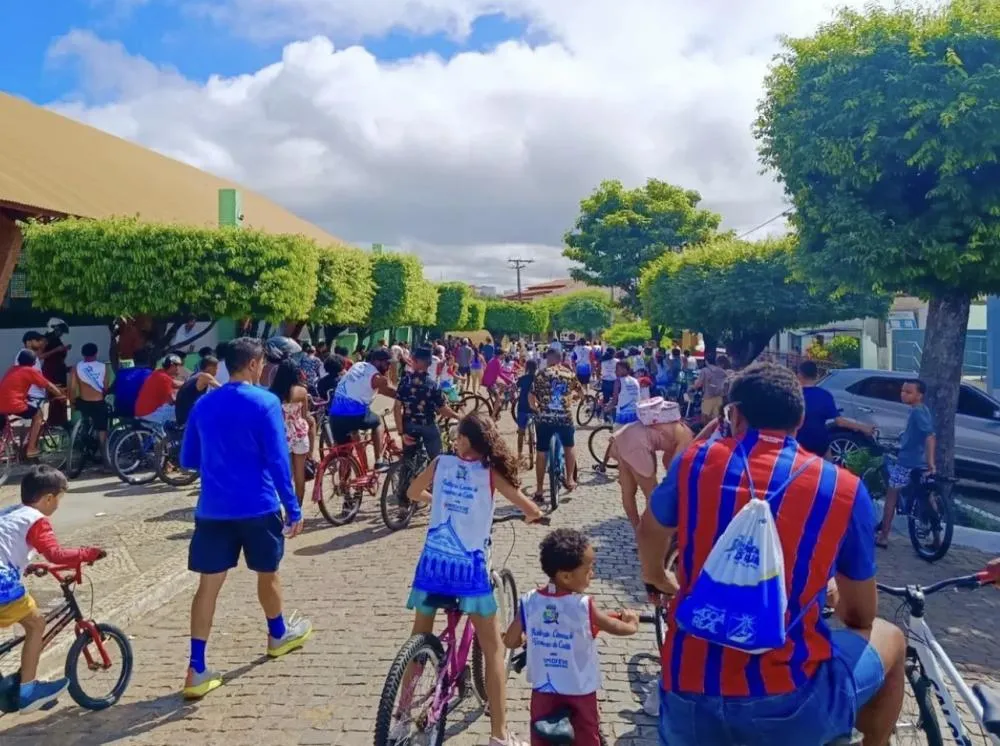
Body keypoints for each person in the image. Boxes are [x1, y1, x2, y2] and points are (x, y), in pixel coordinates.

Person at [639, 362, 905, 746]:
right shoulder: (842, 488)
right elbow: (859, 614)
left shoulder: (696, 460)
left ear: (735, 414)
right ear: (800, 419)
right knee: (890, 636)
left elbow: (651, 529)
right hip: (789, 698)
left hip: (688, 690)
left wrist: (657, 576)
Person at [179, 337, 311, 699]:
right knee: (268, 575)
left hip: (213, 509)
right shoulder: (266, 402)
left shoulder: (204, 405)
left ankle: (197, 667)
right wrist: (294, 507)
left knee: (208, 586)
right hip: (258, 505)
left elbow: (187, 460)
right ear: (254, 364)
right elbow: (278, 461)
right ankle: (277, 634)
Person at [404, 414, 544, 746]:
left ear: (467, 440)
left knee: (417, 642)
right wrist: (533, 515)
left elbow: (412, 492)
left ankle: (400, 713)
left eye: (458, 436)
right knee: (494, 649)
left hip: (433, 566)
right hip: (469, 572)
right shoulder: (490, 473)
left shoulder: (440, 464)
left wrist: (437, 500)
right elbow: (528, 507)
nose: (455, 441)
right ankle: (498, 734)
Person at [503, 528, 640, 745]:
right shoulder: (583, 606)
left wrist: (524, 639)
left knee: (542, 734)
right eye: (588, 570)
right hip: (579, 690)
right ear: (566, 576)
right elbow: (613, 626)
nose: (592, 574)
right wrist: (632, 623)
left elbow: (510, 641)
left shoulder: (529, 601)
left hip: (544, 690)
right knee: (586, 734)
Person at [0, 465, 103, 711]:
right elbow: (56, 554)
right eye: (59, 499)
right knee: (36, 623)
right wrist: (88, 553)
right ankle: (28, 691)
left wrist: (25, 566)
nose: (58, 505)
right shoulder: (37, 520)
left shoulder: (10, 512)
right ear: (48, 498)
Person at [611, 399, 692, 531]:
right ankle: (655, 533)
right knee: (652, 494)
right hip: (638, 444)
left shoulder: (678, 427)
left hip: (624, 435)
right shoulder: (687, 438)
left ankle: (638, 532)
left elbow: (667, 461)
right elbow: (674, 472)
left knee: (628, 492)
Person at [877, 378, 936, 548]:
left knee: (891, 495)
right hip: (921, 462)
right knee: (928, 496)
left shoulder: (917, 412)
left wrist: (932, 462)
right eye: (903, 391)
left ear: (919, 395)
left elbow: (930, 436)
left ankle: (884, 536)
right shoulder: (923, 410)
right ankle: (937, 537)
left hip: (908, 462)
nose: (903, 394)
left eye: (908, 392)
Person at [328, 348, 396, 470]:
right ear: (377, 361)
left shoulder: (358, 365)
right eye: (387, 363)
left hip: (335, 414)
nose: (389, 366)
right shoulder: (378, 379)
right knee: (377, 421)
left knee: (345, 452)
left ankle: (344, 485)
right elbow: (393, 392)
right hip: (353, 415)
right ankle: (379, 460)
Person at [393, 347, 460, 466]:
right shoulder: (432, 385)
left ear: (414, 360)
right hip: (427, 426)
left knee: (407, 460)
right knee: (438, 461)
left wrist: (401, 432)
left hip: (408, 426)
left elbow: (397, 407)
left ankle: (404, 480)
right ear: (429, 364)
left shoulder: (404, 381)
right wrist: (458, 416)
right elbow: (442, 409)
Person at [529, 347, 580, 499]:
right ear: (560, 359)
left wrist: (536, 408)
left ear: (550, 359)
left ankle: (539, 489)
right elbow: (580, 392)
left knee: (541, 452)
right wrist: (573, 399)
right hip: (564, 417)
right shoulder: (569, 374)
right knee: (569, 446)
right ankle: (570, 479)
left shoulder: (541, 374)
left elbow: (531, 396)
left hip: (545, 418)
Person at [796, 360, 874, 459]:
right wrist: (863, 427)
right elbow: (839, 422)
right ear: (816, 375)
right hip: (820, 443)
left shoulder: (794, 395)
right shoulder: (824, 395)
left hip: (799, 444)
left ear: (799, 375)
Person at [0, 351, 66, 458]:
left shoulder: (12, 369)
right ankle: (31, 448)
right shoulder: (30, 371)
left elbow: (13, 388)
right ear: (33, 362)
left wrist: (25, 396)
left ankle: (6, 444)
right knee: (38, 415)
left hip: (2, 403)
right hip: (14, 404)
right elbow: (48, 385)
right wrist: (61, 395)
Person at [270, 359, 313, 506]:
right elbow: (305, 414)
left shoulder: (274, 393)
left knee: (285, 475)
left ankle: (287, 509)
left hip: (283, 435)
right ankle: (298, 509)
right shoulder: (302, 391)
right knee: (300, 474)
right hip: (299, 432)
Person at [68, 343, 111, 453]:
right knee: (102, 429)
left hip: (83, 402)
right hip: (98, 402)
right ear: (96, 353)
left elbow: (72, 388)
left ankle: (84, 435)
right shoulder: (103, 367)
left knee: (85, 419)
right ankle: (104, 455)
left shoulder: (76, 367)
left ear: (83, 354)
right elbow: (105, 387)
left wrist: (72, 402)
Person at [135, 354, 184, 428]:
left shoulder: (159, 373)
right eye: (178, 366)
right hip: (149, 413)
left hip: (141, 411)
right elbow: (171, 401)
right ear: (172, 366)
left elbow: (174, 383)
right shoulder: (165, 379)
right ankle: (172, 436)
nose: (179, 369)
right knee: (180, 411)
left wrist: (190, 383)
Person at [40, 319, 72, 427]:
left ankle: (62, 421)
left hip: (59, 371)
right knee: (55, 396)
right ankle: (54, 421)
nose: (61, 333)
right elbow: (41, 356)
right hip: (51, 372)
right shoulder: (45, 340)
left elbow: (58, 358)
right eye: (59, 330)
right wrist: (57, 350)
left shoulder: (57, 340)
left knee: (62, 396)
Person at [175, 355, 221, 427]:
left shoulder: (194, 375)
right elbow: (223, 389)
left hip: (180, 416)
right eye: (216, 368)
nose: (217, 371)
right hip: (187, 419)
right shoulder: (205, 376)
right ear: (210, 368)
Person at [111, 347, 154, 418]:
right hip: (140, 410)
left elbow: (113, 389)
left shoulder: (122, 372)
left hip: (120, 408)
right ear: (148, 360)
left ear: (133, 359)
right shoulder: (150, 374)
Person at [689, 353, 730, 425]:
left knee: (705, 422)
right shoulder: (723, 372)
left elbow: (698, 384)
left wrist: (691, 388)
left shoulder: (705, 370)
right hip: (719, 399)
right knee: (715, 422)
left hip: (707, 398)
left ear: (706, 361)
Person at [610, 359, 640, 425]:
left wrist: (605, 408)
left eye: (617, 369)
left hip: (623, 416)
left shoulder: (618, 381)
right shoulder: (635, 380)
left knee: (617, 434)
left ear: (624, 369)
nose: (615, 371)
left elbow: (614, 402)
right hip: (636, 415)